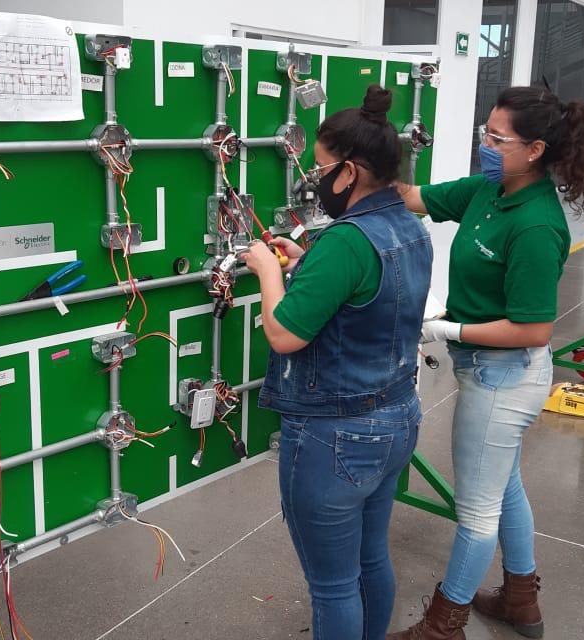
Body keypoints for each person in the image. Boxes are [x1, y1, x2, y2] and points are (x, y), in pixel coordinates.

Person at [386, 86, 584, 640]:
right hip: (483, 368)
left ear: (534, 150)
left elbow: (534, 328)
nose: (484, 145)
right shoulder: (491, 190)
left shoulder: (535, 223)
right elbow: (413, 196)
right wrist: (360, 166)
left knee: (477, 512)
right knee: (502, 488)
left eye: (495, 137)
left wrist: (448, 327)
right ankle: (519, 602)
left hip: (504, 377)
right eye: (484, 132)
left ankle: (445, 624)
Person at [241, 85, 432, 640]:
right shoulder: (407, 227)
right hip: (396, 418)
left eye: (319, 169)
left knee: (332, 586)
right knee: (371, 559)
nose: (313, 180)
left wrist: (268, 271)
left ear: (348, 172)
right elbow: (365, 296)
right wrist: (307, 263)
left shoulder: (347, 241)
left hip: (336, 438)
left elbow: (283, 335)